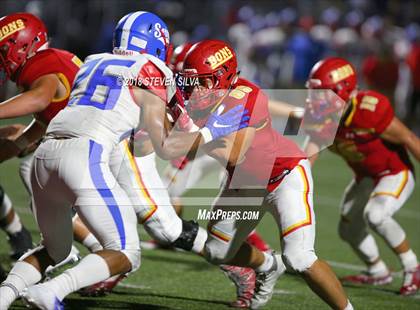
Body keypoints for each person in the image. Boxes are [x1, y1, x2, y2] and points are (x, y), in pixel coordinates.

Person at [0, 11, 248, 309]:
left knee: (53, 250)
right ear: (158, 44)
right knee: (127, 251)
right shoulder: (152, 69)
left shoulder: (93, 61)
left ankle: (4, 296)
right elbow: (166, 145)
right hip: (84, 157)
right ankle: (52, 291)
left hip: (43, 158)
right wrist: (207, 132)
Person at [180, 39, 353, 309]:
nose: (195, 89)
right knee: (216, 252)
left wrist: (188, 138)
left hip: (283, 176)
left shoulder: (246, 95)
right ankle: (269, 265)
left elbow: (235, 153)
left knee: (300, 258)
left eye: (203, 81)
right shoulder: (196, 101)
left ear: (223, 76)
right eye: (191, 82)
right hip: (244, 183)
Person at [304, 57, 420, 296]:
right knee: (348, 229)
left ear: (342, 91)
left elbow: (409, 138)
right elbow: (307, 155)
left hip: (394, 172)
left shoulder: (369, 109)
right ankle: (377, 271)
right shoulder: (320, 116)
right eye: (314, 92)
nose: (316, 99)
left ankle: (413, 267)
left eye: (322, 93)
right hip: (364, 176)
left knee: (375, 215)